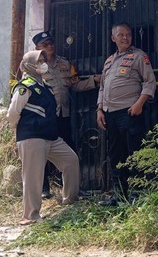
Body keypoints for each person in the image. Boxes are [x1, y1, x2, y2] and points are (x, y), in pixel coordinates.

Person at [6, 50, 80, 225]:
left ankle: (70, 199)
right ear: (29, 65)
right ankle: (30, 216)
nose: (42, 63)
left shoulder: (44, 85)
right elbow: (13, 112)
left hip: (50, 136)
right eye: (39, 61)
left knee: (71, 160)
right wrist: (18, 130)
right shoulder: (25, 86)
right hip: (32, 137)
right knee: (33, 176)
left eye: (43, 60)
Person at [32, 31, 101, 199]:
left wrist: (94, 81)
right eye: (45, 44)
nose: (50, 46)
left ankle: (70, 189)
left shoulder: (64, 63)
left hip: (64, 115)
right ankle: (43, 188)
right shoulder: (35, 67)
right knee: (43, 152)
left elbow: (75, 85)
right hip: (45, 117)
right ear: (37, 48)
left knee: (69, 151)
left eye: (51, 42)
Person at [96, 22, 156, 206]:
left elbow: (149, 82)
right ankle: (119, 195)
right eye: (121, 34)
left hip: (130, 112)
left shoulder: (139, 56)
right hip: (110, 115)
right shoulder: (108, 61)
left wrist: (139, 103)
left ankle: (138, 193)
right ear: (113, 38)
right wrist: (99, 109)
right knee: (116, 155)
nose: (125, 37)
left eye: (128, 34)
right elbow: (102, 87)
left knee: (135, 153)